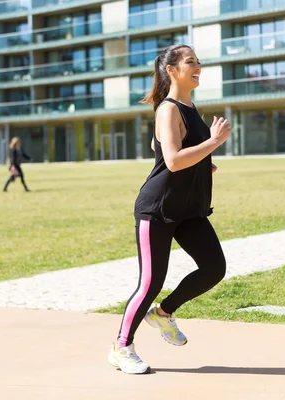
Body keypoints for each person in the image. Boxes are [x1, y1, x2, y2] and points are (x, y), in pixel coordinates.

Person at [108, 44, 231, 374]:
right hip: (158, 209)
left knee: (213, 267)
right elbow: (173, 161)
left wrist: (202, 163)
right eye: (191, 62)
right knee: (150, 281)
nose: (198, 66)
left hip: (189, 209)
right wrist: (213, 143)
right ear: (172, 70)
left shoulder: (189, 107)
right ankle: (121, 347)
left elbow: (160, 147)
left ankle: (164, 314)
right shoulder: (168, 109)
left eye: (198, 62)